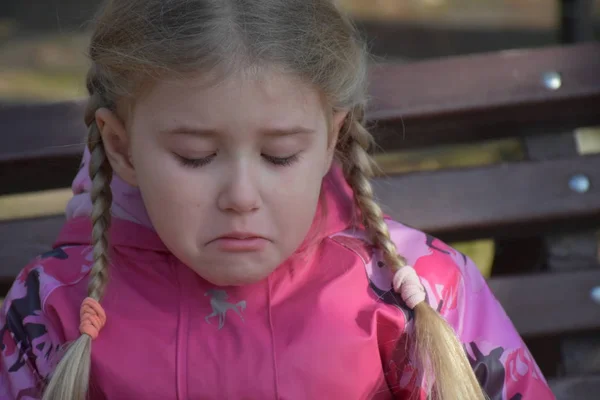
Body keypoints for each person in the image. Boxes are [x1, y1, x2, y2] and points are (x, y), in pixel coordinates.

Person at [0, 1, 555, 399]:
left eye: (280, 155)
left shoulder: (418, 293)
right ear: (121, 148)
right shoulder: (51, 311)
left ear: (331, 139)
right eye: (195, 157)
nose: (241, 197)